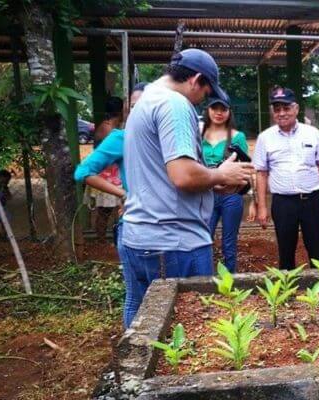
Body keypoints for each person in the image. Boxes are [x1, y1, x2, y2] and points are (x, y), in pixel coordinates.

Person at [121, 49, 253, 326]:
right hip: (173, 240)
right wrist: (220, 173)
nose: (204, 99)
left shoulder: (144, 102)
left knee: (140, 318)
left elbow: (162, 175)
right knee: (190, 325)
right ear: (195, 80)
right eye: (206, 92)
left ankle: (130, 369)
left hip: (138, 234)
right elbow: (182, 175)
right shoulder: (175, 104)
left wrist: (211, 185)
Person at [74, 84, 147, 328]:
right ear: (127, 111)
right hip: (134, 225)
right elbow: (84, 171)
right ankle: (132, 355)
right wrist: (123, 193)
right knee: (136, 297)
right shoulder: (121, 138)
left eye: (148, 105)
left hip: (165, 228)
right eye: (135, 107)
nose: (142, 112)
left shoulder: (168, 139)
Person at [253, 86, 319, 270]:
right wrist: (262, 207)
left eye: (286, 108)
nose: (282, 113)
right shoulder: (265, 138)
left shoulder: (312, 133)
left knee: (316, 249)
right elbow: (261, 173)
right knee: (285, 250)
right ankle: (287, 293)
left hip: (312, 201)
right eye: (277, 109)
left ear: (296, 109)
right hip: (283, 203)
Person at [201, 97, 256, 273]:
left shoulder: (237, 137)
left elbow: (246, 167)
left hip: (231, 195)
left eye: (223, 109)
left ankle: (230, 280)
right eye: (214, 108)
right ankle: (204, 278)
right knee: (203, 238)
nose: (218, 113)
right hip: (205, 194)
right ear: (207, 110)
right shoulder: (197, 134)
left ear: (229, 111)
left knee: (229, 241)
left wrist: (252, 199)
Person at [81, 96, 125, 242]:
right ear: (120, 111)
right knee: (105, 211)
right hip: (106, 175)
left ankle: (112, 239)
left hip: (112, 173)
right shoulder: (108, 128)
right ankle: (101, 241)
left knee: (113, 211)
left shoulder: (110, 127)